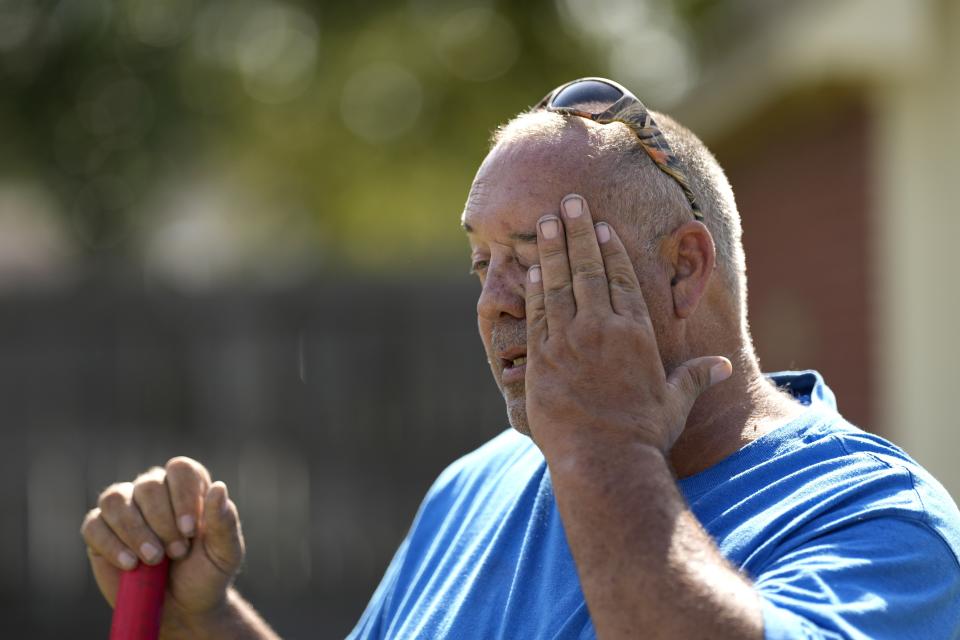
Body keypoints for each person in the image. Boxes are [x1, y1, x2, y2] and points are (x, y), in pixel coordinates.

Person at [81, 78, 960, 639]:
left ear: (685, 269)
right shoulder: (477, 485)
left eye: (541, 254)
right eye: (480, 263)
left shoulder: (880, 524)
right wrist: (207, 619)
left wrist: (607, 450)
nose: (494, 300)